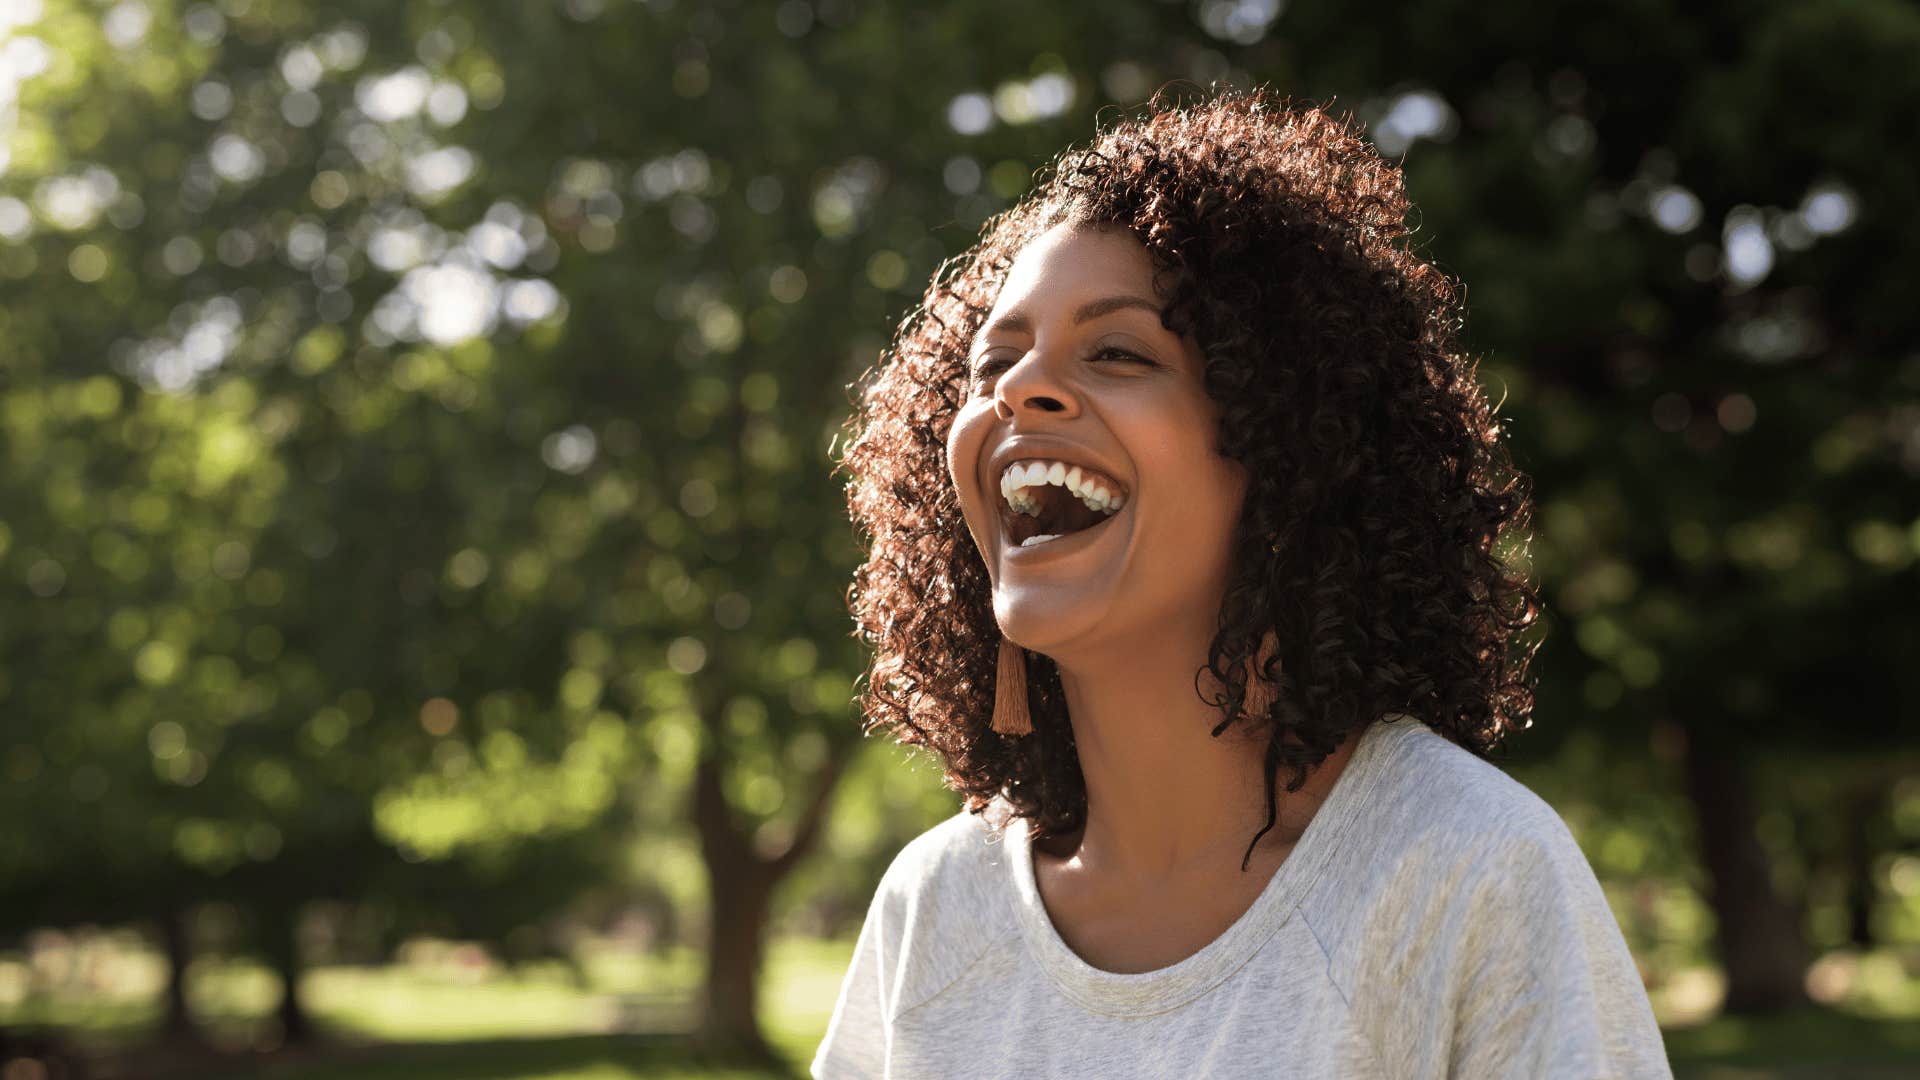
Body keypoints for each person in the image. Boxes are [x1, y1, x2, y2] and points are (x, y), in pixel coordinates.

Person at [816, 87, 1672, 1079]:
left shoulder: (1467, 870)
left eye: (1119, 350)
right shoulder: (934, 908)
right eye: (993, 362)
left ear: (1287, 452)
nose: (1016, 389)